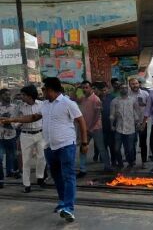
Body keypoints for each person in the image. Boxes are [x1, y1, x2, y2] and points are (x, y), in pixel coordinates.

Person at [1, 77, 88, 222]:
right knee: (57, 177)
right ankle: (62, 202)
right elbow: (34, 117)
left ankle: (69, 208)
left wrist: (84, 143)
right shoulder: (46, 104)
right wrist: (13, 120)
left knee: (68, 176)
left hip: (66, 145)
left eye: (44, 89)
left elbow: (81, 121)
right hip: (49, 146)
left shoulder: (68, 103)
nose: (42, 92)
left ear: (50, 89)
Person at [14, 85, 46, 193]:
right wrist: (18, 123)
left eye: (23, 95)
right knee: (26, 160)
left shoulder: (42, 105)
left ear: (30, 96)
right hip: (26, 135)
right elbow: (14, 120)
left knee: (41, 157)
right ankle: (26, 185)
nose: (21, 97)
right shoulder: (20, 106)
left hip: (40, 134)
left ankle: (40, 178)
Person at [78, 81, 112, 178]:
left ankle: (107, 166)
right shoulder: (83, 99)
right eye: (83, 88)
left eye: (86, 87)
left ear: (91, 88)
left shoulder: (96, 99)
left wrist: (90, 127)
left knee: (102, 148)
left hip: (96, 128)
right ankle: (82, 169)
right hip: (86, 129)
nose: (84, 89)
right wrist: (76, 89)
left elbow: (97, 116)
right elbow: (73, 98)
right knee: (83, 148)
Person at [110, 84, 140, 169]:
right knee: (116, 149)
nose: (124, 89)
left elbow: (136, 113)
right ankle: (120, 163)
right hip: (119, 128)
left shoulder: (133, 100)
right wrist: (111, 125)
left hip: (130, 128)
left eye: (125, 88)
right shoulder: (114, 101)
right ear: (119, 90)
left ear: (128, 89)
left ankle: (130, 163)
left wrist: (138, 123)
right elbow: (112, 115)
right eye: (122, 88)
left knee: (130, 149)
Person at [94, 82, 117, 167]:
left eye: (105, 90)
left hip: (111, 126)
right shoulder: (96, 99)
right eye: (102, 90)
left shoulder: (113, 98)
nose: (103, 92)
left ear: (108, 89)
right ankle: (106, 163)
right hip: (100, 127)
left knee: (112, 146)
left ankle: (114, 161)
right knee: (103, 146)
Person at [129, 78, 150, 168]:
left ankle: (144, 162)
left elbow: (149, 109)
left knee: (143, 143)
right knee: (131, 143)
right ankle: (132, 161)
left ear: (139, 84)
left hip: (142, 122)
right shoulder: (128, 95)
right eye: (133, 84)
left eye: (136, 83)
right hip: (131, 123)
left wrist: (145, 122)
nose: (135, 85)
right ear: (130, 85)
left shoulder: (145, 94)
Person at [0, 88, 19, 181]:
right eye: (5, 94)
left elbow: (17, 120)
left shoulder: (15, 107)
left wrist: (13, 123)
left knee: (11, 155)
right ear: (1, 96)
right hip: (0, 136)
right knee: (0, 157)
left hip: (11, 135)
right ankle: (0, 179)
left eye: (9, 94)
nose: (8, 96)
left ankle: (9, 172)